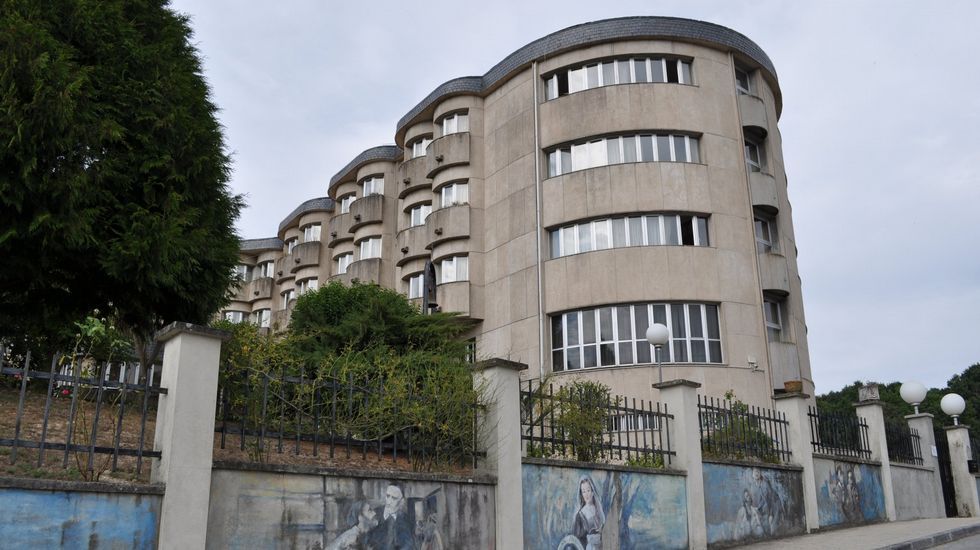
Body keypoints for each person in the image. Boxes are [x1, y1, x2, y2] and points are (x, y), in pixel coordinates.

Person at [365, 484, 416, 550]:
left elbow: (409, 544)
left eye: (394, 498)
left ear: (402, 502)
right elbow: (365, 542)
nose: (389, 502)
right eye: (387, 496)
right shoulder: (374, 514)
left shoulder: (406, 520)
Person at [573, 476, 605, 550]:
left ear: (592, 491)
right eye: (583, 491)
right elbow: (577, 541)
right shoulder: (580, 516)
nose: (586, 494)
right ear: (581, 494)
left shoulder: (598, 510)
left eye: (588, 490)